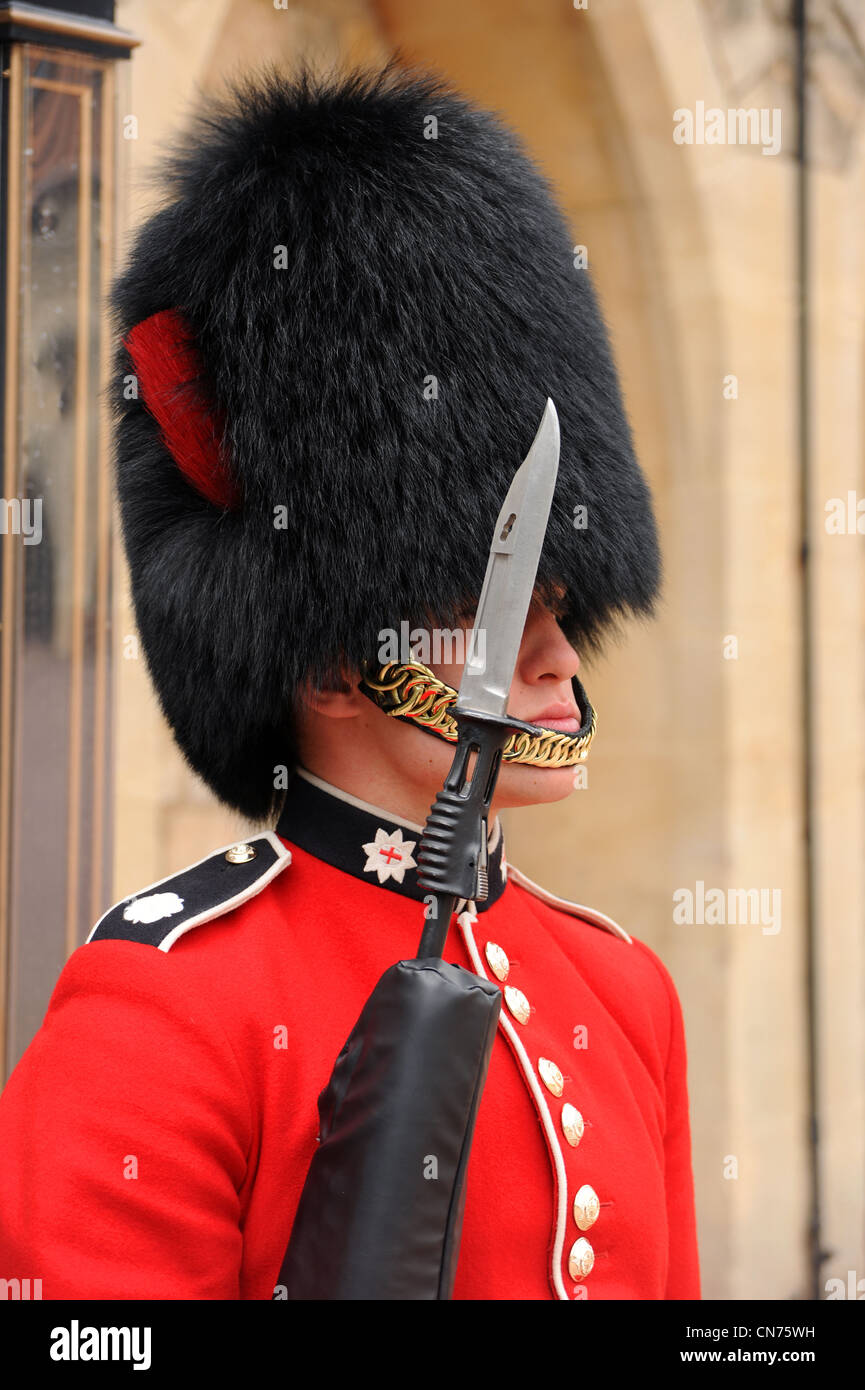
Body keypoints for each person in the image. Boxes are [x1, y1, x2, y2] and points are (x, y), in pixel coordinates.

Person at [0, 65, 699, 1300]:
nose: (558, 655)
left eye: (560, 600)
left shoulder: (625, 990)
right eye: (488, 602)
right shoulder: (167, 1004)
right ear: (334, 661)